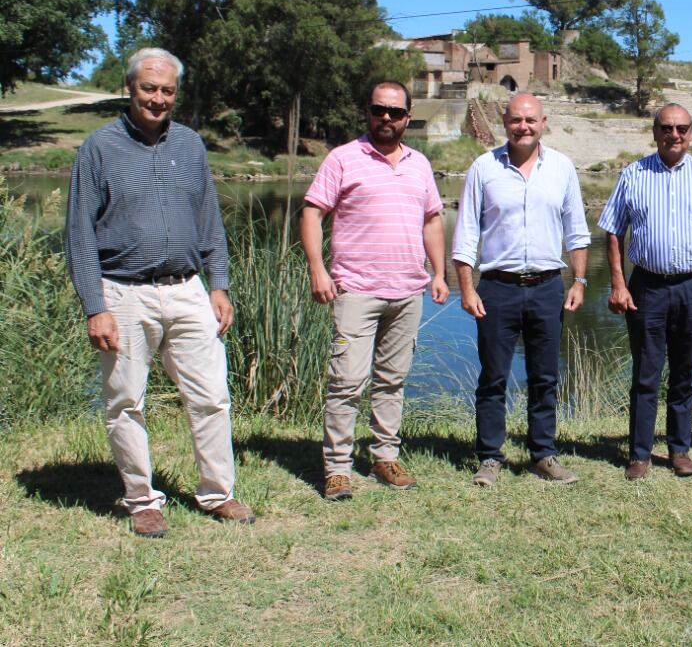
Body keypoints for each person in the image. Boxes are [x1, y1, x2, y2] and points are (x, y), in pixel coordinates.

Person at [65, 47, 254, 538]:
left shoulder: (191, 145)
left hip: (188, 287)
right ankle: (142, 499)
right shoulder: (99, 147)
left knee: (211, 396)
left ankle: (218, 493)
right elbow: (79, 234)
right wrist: (95, 307)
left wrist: (219, 284)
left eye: (167, 90)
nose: (158, 98)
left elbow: (209, 218)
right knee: (126, 399)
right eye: (149, 88)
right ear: (130, 89)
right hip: (124, 293)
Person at [301, 81, 449, 502]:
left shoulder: (420, 164)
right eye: (378, 110)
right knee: (347, 381)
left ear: (408, 115)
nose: (386, 118)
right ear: (367, 113)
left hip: (407, 292)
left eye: (395, 112)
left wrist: (438, 273)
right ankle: (337, 468)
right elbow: (313, 213)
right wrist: (318, 270)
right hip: (356, 291)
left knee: (392, 380)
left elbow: (432, 221)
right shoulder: (343, 158)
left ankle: (385, 456)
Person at [599, 103, 692, 480]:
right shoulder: (633, 175)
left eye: (681, 128)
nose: (673, 135)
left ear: (691, 133)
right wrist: (617, 282)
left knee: (684, 370)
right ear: (655, 132)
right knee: (646, 373)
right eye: (666, 128)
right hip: (647, 286)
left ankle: (679, 449)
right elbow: (613, 231)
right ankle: (640, 454)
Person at [453, 93, 590, 487]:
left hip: (548, 286)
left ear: (543, 121)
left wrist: (579, 280)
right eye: (516, 120)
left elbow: (576, 231)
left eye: (530, 120)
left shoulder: (561, 167)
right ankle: (490, 457)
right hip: (498, 288)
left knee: (545, 376)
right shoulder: (484, 167)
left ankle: (543, 454)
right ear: (504, 121)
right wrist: (467, 286)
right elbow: (466, 234)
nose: (523, 127)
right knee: (493, 376)